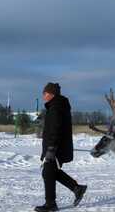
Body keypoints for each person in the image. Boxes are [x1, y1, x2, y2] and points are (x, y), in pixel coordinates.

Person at [35, 82, 87, 212]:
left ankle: (51, 204)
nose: (43, 96)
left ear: (51, 94)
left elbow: (56, 128)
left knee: (48, 172)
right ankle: (77, 189)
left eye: (45, 93)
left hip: (55, 147)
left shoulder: (56, 107)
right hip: (57, 146)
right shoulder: (56, 105)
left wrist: (51, 148)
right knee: (49, 172)